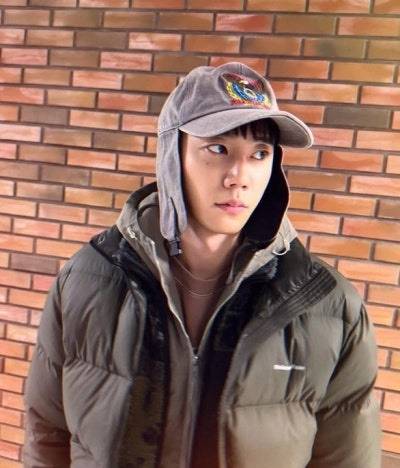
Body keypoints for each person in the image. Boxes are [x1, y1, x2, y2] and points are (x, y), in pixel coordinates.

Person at [23, 62, 381, 468]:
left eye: (259, 154)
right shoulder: (87, 280)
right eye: (218, 149)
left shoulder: (330, 309)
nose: (239, 176)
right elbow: (47, 432)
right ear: (171, 156)